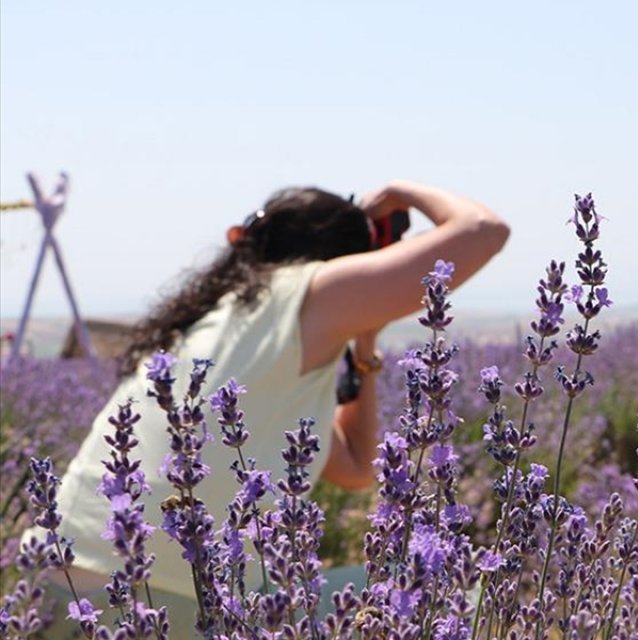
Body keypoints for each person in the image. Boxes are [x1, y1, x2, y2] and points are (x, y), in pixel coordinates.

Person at [36, 180, 509, 636]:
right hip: (158, 606)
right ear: (348, 262)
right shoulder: (305, 291)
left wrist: (365, 347)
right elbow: (483, 230)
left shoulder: (230, 319)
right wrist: (397, 193)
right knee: (443, 580)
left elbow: (355, 468)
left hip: (53, 585)